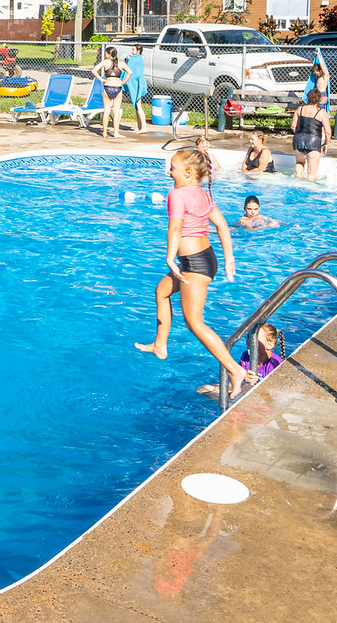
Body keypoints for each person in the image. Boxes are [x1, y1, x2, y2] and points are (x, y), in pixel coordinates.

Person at [136, 149, 250, 394]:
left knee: (194, 322)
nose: (169, 172)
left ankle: (234, 369)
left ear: (188, 172)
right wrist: (229, 258)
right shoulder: (202, 194)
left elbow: (175, 228)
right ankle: (160, 344)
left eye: (173, 168)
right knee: (162, 291)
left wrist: (169, 257)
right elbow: (222, 226)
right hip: (205, 260)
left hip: (195, 265)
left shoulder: (176, 194)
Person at [290, 89, 331, 182]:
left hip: (299, 138)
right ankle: (309, 193)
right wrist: (325, 144)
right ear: (319, 99)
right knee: (311, 173)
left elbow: (293, 126)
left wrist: (298, 134)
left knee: (299, 162)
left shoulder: (299, 109)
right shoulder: (321, 112)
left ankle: (297, 180)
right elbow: (328, 132)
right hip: (314, 140)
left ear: (308, 98)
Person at [91, 46, 128, 139]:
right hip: (118, 87)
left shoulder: (105, 62)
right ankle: (116, 133)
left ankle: (104, 132)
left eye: (106, 53)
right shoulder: (121, 63)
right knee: (116, 112)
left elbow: (94, 70)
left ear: (109, 54)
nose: (105, 55)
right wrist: (123, 82)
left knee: (106, 111)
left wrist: (101, 80)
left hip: (107, 86)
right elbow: (130, 72)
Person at [125, 44, 149, 134]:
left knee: (138, 105)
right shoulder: (137, 58)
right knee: (136, 106)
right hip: (135, 82)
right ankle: (139, 126)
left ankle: (144, 127)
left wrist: (128, 59)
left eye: (133, 49)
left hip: (137, 83)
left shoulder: (136, 58)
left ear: (138, 51)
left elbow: (127, 65)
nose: (132, 51)